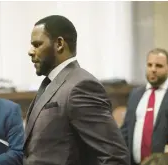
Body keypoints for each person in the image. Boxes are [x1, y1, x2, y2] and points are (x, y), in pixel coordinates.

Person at [23, 15, 129, 165]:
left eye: (37, 44)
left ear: (59, 44)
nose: (30, 51)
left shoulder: (81, 86)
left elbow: (115, 156)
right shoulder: (49, 83)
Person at [120, 48, 168, 165]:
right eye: (150, 65)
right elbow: (125, 131)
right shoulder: (135, 94)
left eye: (158, 66)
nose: (153, 69)